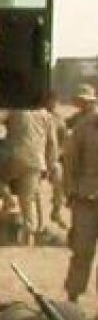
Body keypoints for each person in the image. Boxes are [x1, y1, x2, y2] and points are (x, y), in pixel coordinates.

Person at [3, 102, 62, 247]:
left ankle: (6, 198)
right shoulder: (46, 116)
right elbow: (52, 143)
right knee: (28, 198)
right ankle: (32, 231)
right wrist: (50, 165)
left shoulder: (14, 109)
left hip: (14, 158)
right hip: (36, 161)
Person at [63, 85, 98, 302]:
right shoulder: (84, 128)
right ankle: (73, 297)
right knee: (82, 250)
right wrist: (70, 193)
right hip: (86, 199)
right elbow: (70, 163)